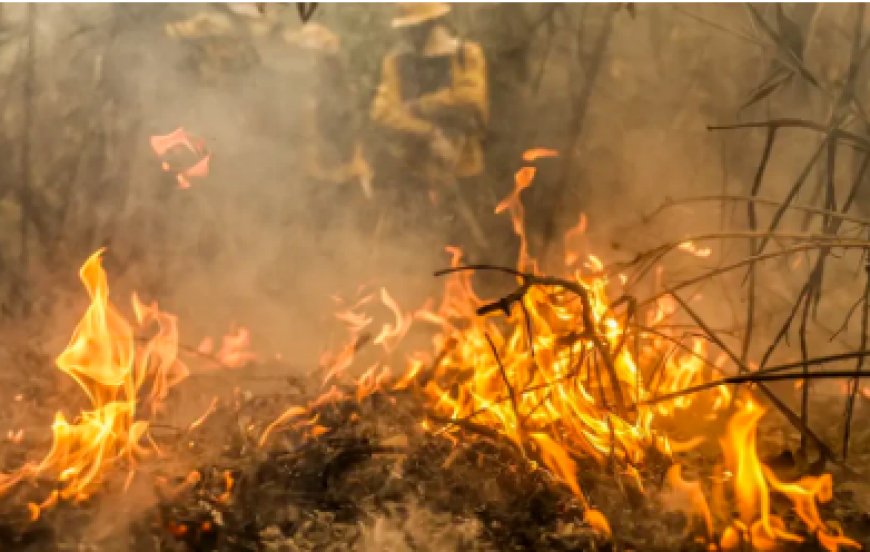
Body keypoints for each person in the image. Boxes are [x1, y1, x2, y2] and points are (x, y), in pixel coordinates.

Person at [370, 2, 489, 248]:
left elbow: (470, 99)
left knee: (471, 246)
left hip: (462, 167)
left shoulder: (465, 55)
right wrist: (429, 132)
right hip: (411, 170)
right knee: (406, 247)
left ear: (433, 24)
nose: (410, 34)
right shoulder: (396, 62)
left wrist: (420, 106)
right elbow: (382, 111)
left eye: (416, 27)